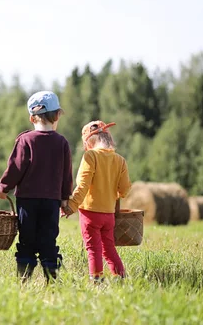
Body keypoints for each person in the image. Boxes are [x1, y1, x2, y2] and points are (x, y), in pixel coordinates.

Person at [0, 91, 73, 282]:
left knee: (27, 240)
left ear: (31, 118)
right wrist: (64, 198)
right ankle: (52, 280)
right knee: (48, 240)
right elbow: (66, 173)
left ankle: (24, 280)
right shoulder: (62, 142)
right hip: (52, 202)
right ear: (56, 116)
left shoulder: (25, 140)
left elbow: (16, 167)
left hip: (27, 201)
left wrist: (4, 187)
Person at [61, 120, 131, 284]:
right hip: (109, 214)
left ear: (88, 143)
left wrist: (71, 205)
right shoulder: (120, 160)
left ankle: (97, 281)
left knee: (93, 249)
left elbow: (83, 185)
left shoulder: (90, 156)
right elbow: (125, 190)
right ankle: (120, 278)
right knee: (109, 248)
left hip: (90, 214)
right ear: (108, 139)